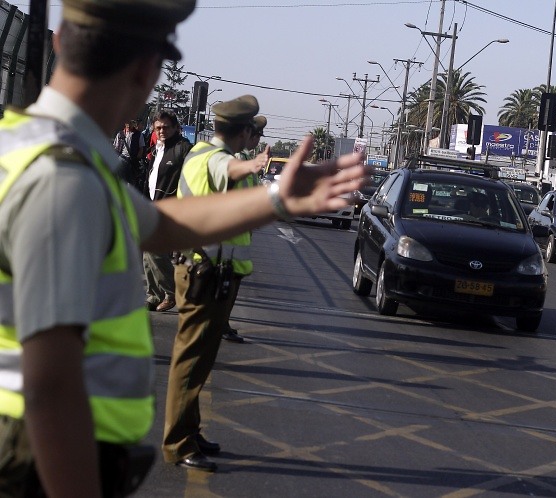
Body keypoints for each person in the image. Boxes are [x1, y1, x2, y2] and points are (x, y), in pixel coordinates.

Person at [0, 1, 367, 496]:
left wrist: (277, 198)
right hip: (42, 463)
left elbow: (159, 222)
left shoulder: (31, 143)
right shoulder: (65, 180)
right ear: (148, 71)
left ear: (61, 41)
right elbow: (52, 389)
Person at [162, 96, 271, 472]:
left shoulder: (228, 160)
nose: (256, 137)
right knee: (190, 362)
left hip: (218, 273)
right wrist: (254, 165)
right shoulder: (208, 157)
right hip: (201, 273)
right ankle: (177, 444)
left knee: (202, 361)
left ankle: (190, 431)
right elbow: (226, 168)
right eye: (254, 131)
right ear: (242, 131)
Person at [222, 114, 269, 343]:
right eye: (256, 135)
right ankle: (220, 323)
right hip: (230, 236)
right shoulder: (238, 162)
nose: (257, 140)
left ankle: (223, 321)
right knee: (226, 284)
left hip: (241, 237)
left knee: (232, 284)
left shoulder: (246, 161)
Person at [142, 110, 192, 312]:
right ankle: (153, 295)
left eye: (166, 127)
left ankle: (172, 292)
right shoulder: (157, 149)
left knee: (154, 250)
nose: (162, 131)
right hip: (152, 206)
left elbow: (191, 179)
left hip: (171, 209)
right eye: (158, 127)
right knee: (147, 253)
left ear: (176, 128)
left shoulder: (184, 149)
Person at [113, 119, 145, 190]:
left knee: (131, 182)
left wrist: (137, 159)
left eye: (130, 123)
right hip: (122, 159)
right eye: (127, 123)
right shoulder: (120, 134)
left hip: (132, 161)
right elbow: (116, 148)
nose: (128, 125)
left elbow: (141, 148)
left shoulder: (139, 135)